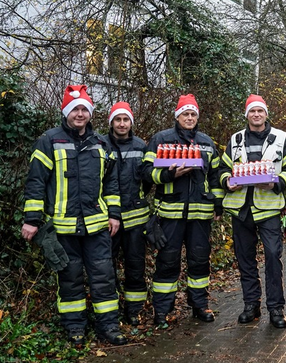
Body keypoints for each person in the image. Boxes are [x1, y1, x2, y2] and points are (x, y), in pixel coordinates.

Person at [21, 85, 126, 346]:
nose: (80, 114)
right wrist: (32, 219)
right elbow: (36, 181)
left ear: (90, 113)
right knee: (70, 279)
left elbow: (111, 183)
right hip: (64, 227)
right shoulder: (49, 140)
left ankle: (108, 326)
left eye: (84, 110)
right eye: (75, 109)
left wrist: (114, 214)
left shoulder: (101, 143)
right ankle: (75, 326)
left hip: (97, 226)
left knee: (104, 277)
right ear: (66, 112)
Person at [142, 94, 223, 326]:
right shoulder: (161, 139)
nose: (189, 118)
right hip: (170, 213)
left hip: (200, 214)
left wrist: (218, 203)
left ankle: (199, 305)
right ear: (177, 116)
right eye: (185, 114)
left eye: (193, 114)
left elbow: (215, 176)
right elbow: (146, 172)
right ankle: (161, 310)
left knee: (199, 261)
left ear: (197, 117)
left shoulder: (207, 143)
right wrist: (169, 174)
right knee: (167, 262)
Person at [218, 94, 286, 328]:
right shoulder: (235, 140)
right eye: (252, 111)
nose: (256, 115)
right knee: (245, 259)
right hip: (240, 208)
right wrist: (227, 182)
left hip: (269, 208)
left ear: (266, 114)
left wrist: (276, 184)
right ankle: (251, 305)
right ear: (247, 115)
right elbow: (223, 168)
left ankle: (276, 309)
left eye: (260, 111)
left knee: (273, 257)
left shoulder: (282, 139)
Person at [102, 101, 151, 326]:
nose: (122, 124)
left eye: (126, 120)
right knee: (106, 267)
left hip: (136, 219)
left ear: (131, 122)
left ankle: (134, 310)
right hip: (106, 220)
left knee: (135, 266)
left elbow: (148, 181)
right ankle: (110, 311)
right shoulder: (100, 144)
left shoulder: (142, 146)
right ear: (111, 122)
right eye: (118, 120)